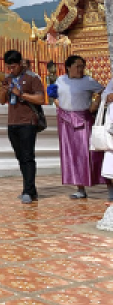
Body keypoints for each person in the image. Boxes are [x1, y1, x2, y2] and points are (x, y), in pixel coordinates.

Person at [0, 50, 46, 204]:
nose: (11, 70)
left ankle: (27, 190)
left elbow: (40, 98)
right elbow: (0, 101)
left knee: (28, 156)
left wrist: (20, 94)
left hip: (28, 121)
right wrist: (4, 91)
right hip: (13, 122)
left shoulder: (32, 78)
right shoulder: (8, 79)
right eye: (8, 67)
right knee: (20, 157)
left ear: (20, 64)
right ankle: (30, 189)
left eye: (13, 67)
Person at [53, 55, 103, 198]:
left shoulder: (88, 81)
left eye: (82, 66)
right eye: (77, 66)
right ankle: (80, 189)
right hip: (65, 121)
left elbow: (102, 91)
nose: (81, 69)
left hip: (83, 120)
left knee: (91, 154)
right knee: (72, 155)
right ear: (68, 67)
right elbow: (54, 93)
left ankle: (108, 187)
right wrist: (56, 101)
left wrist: (96, 102)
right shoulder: (61, 80)